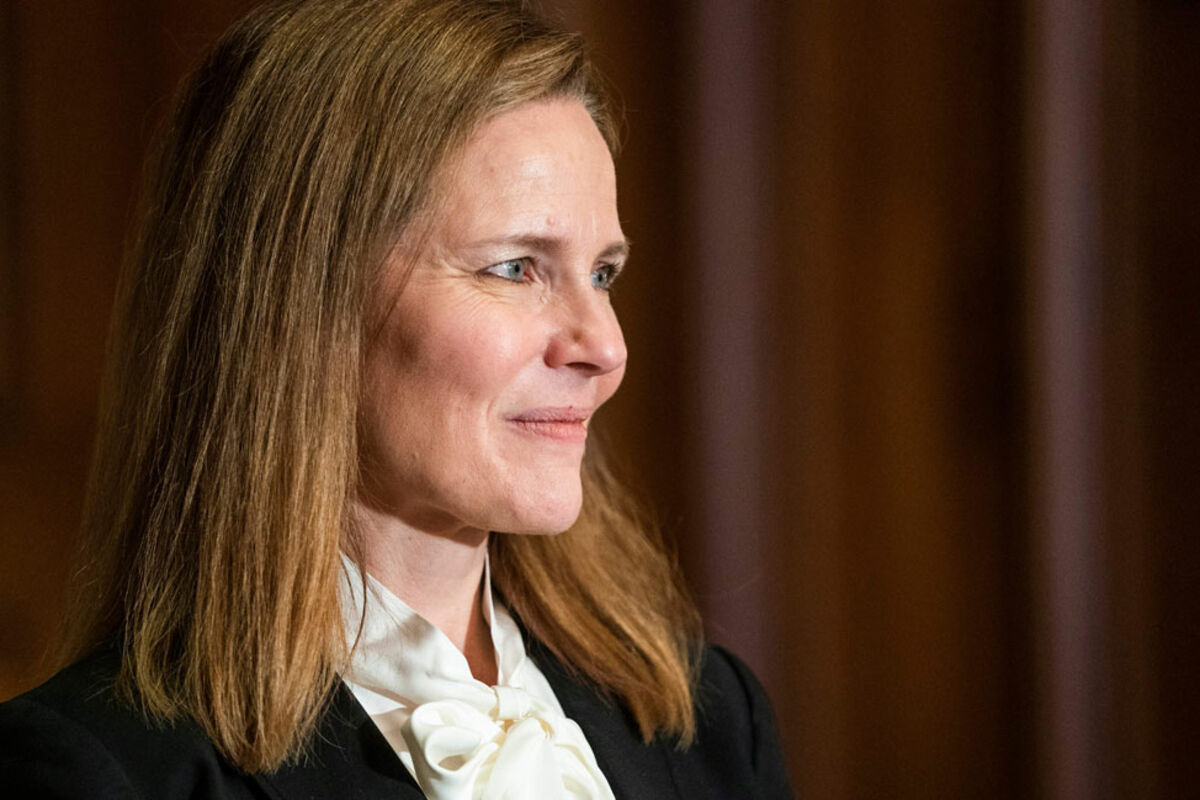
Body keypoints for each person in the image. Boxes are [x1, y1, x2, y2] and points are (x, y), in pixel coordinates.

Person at [0, 1, 794, 797]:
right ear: (301, 300)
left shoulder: (712, 722)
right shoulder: (99, 773)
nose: (606, 348)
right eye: (515, 267)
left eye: (602, 273)